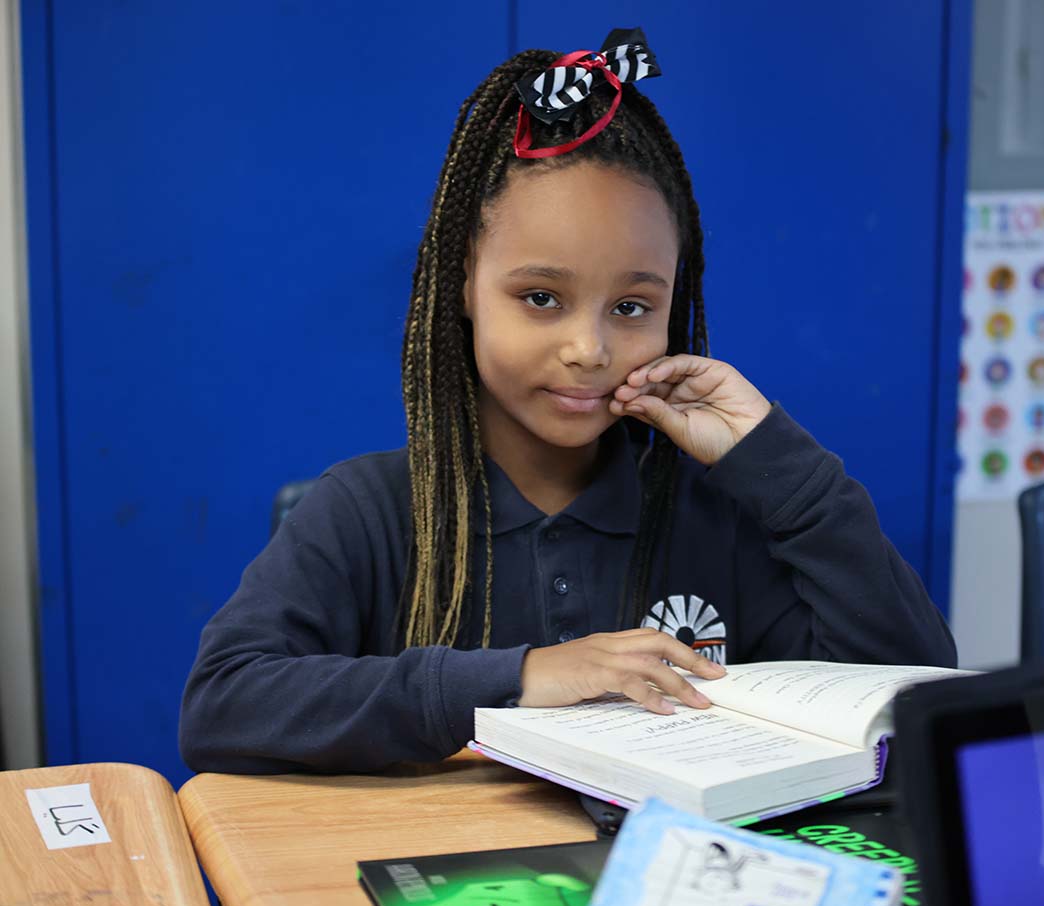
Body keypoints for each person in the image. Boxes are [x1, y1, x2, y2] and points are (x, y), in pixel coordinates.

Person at [179, 29, 956, 775]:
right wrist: (520, 677)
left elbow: (911, 690)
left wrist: (789, 474)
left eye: (631, 307)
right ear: (464, 289)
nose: (589, 347)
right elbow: (222, 706)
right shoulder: (367, 511)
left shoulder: (717, 514)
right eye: (542, 297)